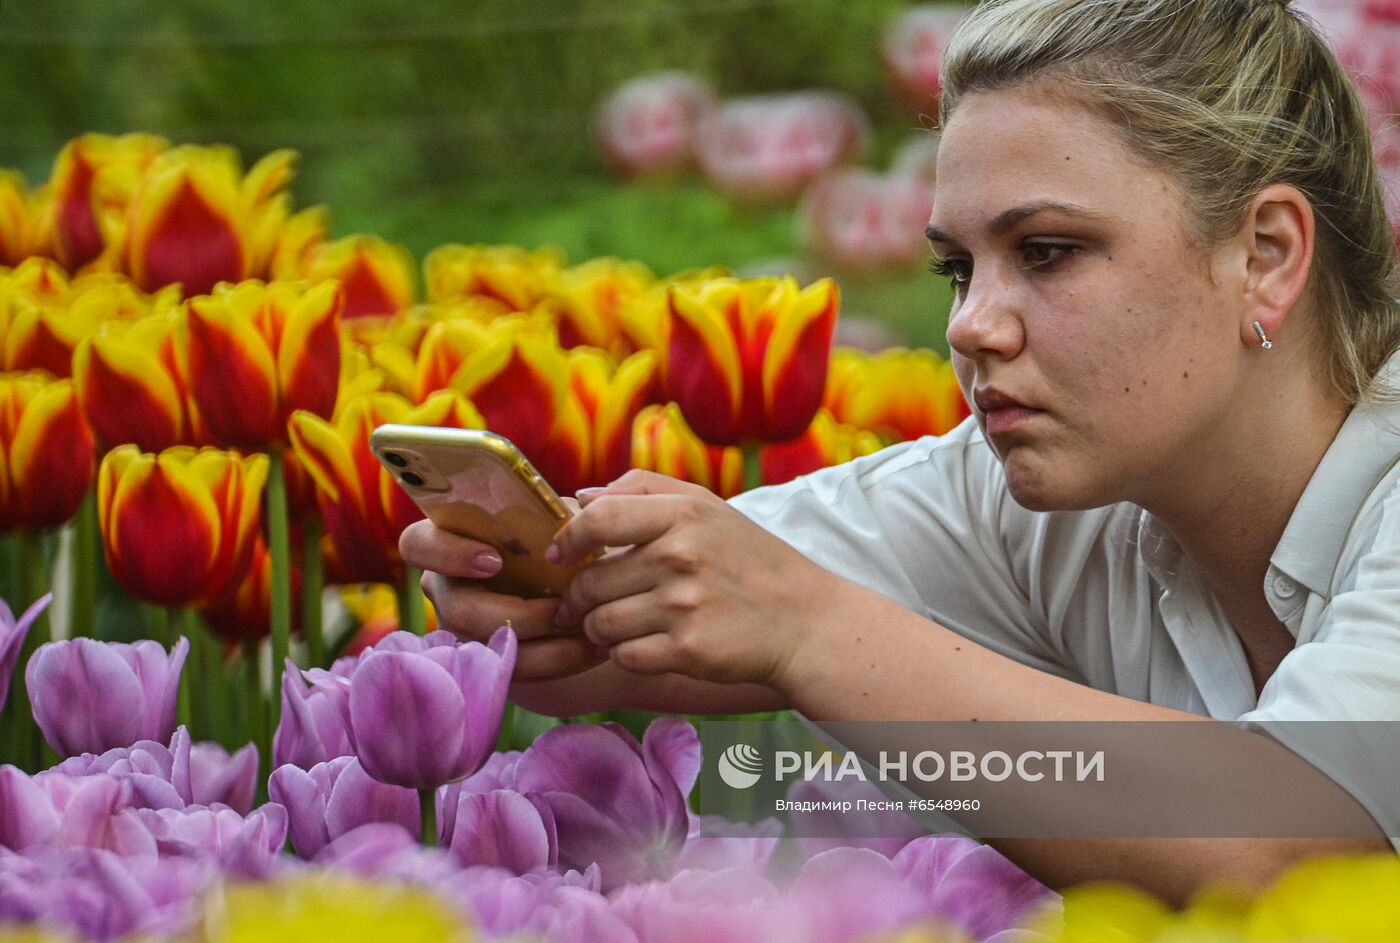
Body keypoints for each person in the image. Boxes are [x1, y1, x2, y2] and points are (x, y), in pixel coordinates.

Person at [401, 0, 1400, 903]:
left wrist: (808, 630)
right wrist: (543, 594)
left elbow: (1289, 845)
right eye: (957, 268)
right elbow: (685, 604)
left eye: (1045, 251)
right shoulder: (1025, 493)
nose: (969, 325)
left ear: (1263, 255)